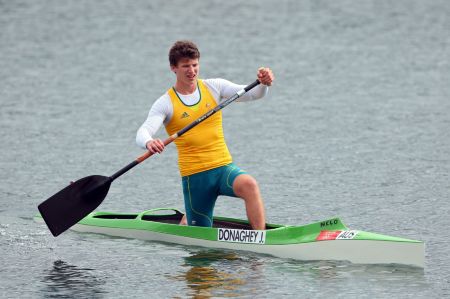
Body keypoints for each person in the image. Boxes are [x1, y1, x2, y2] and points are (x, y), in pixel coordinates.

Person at [136, 40, 274, 230]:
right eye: (185, 66)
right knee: (199, 238)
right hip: (196, 177)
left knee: (250, 184)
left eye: (195, 65)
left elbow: (254, 94)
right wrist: (149, 142)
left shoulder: (214, 87)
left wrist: (264, 84)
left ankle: (261, 238)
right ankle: (188, 219)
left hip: (223, 168)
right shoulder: (166, 102)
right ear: (173, 68)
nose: (191, 71)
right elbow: (143, 131)